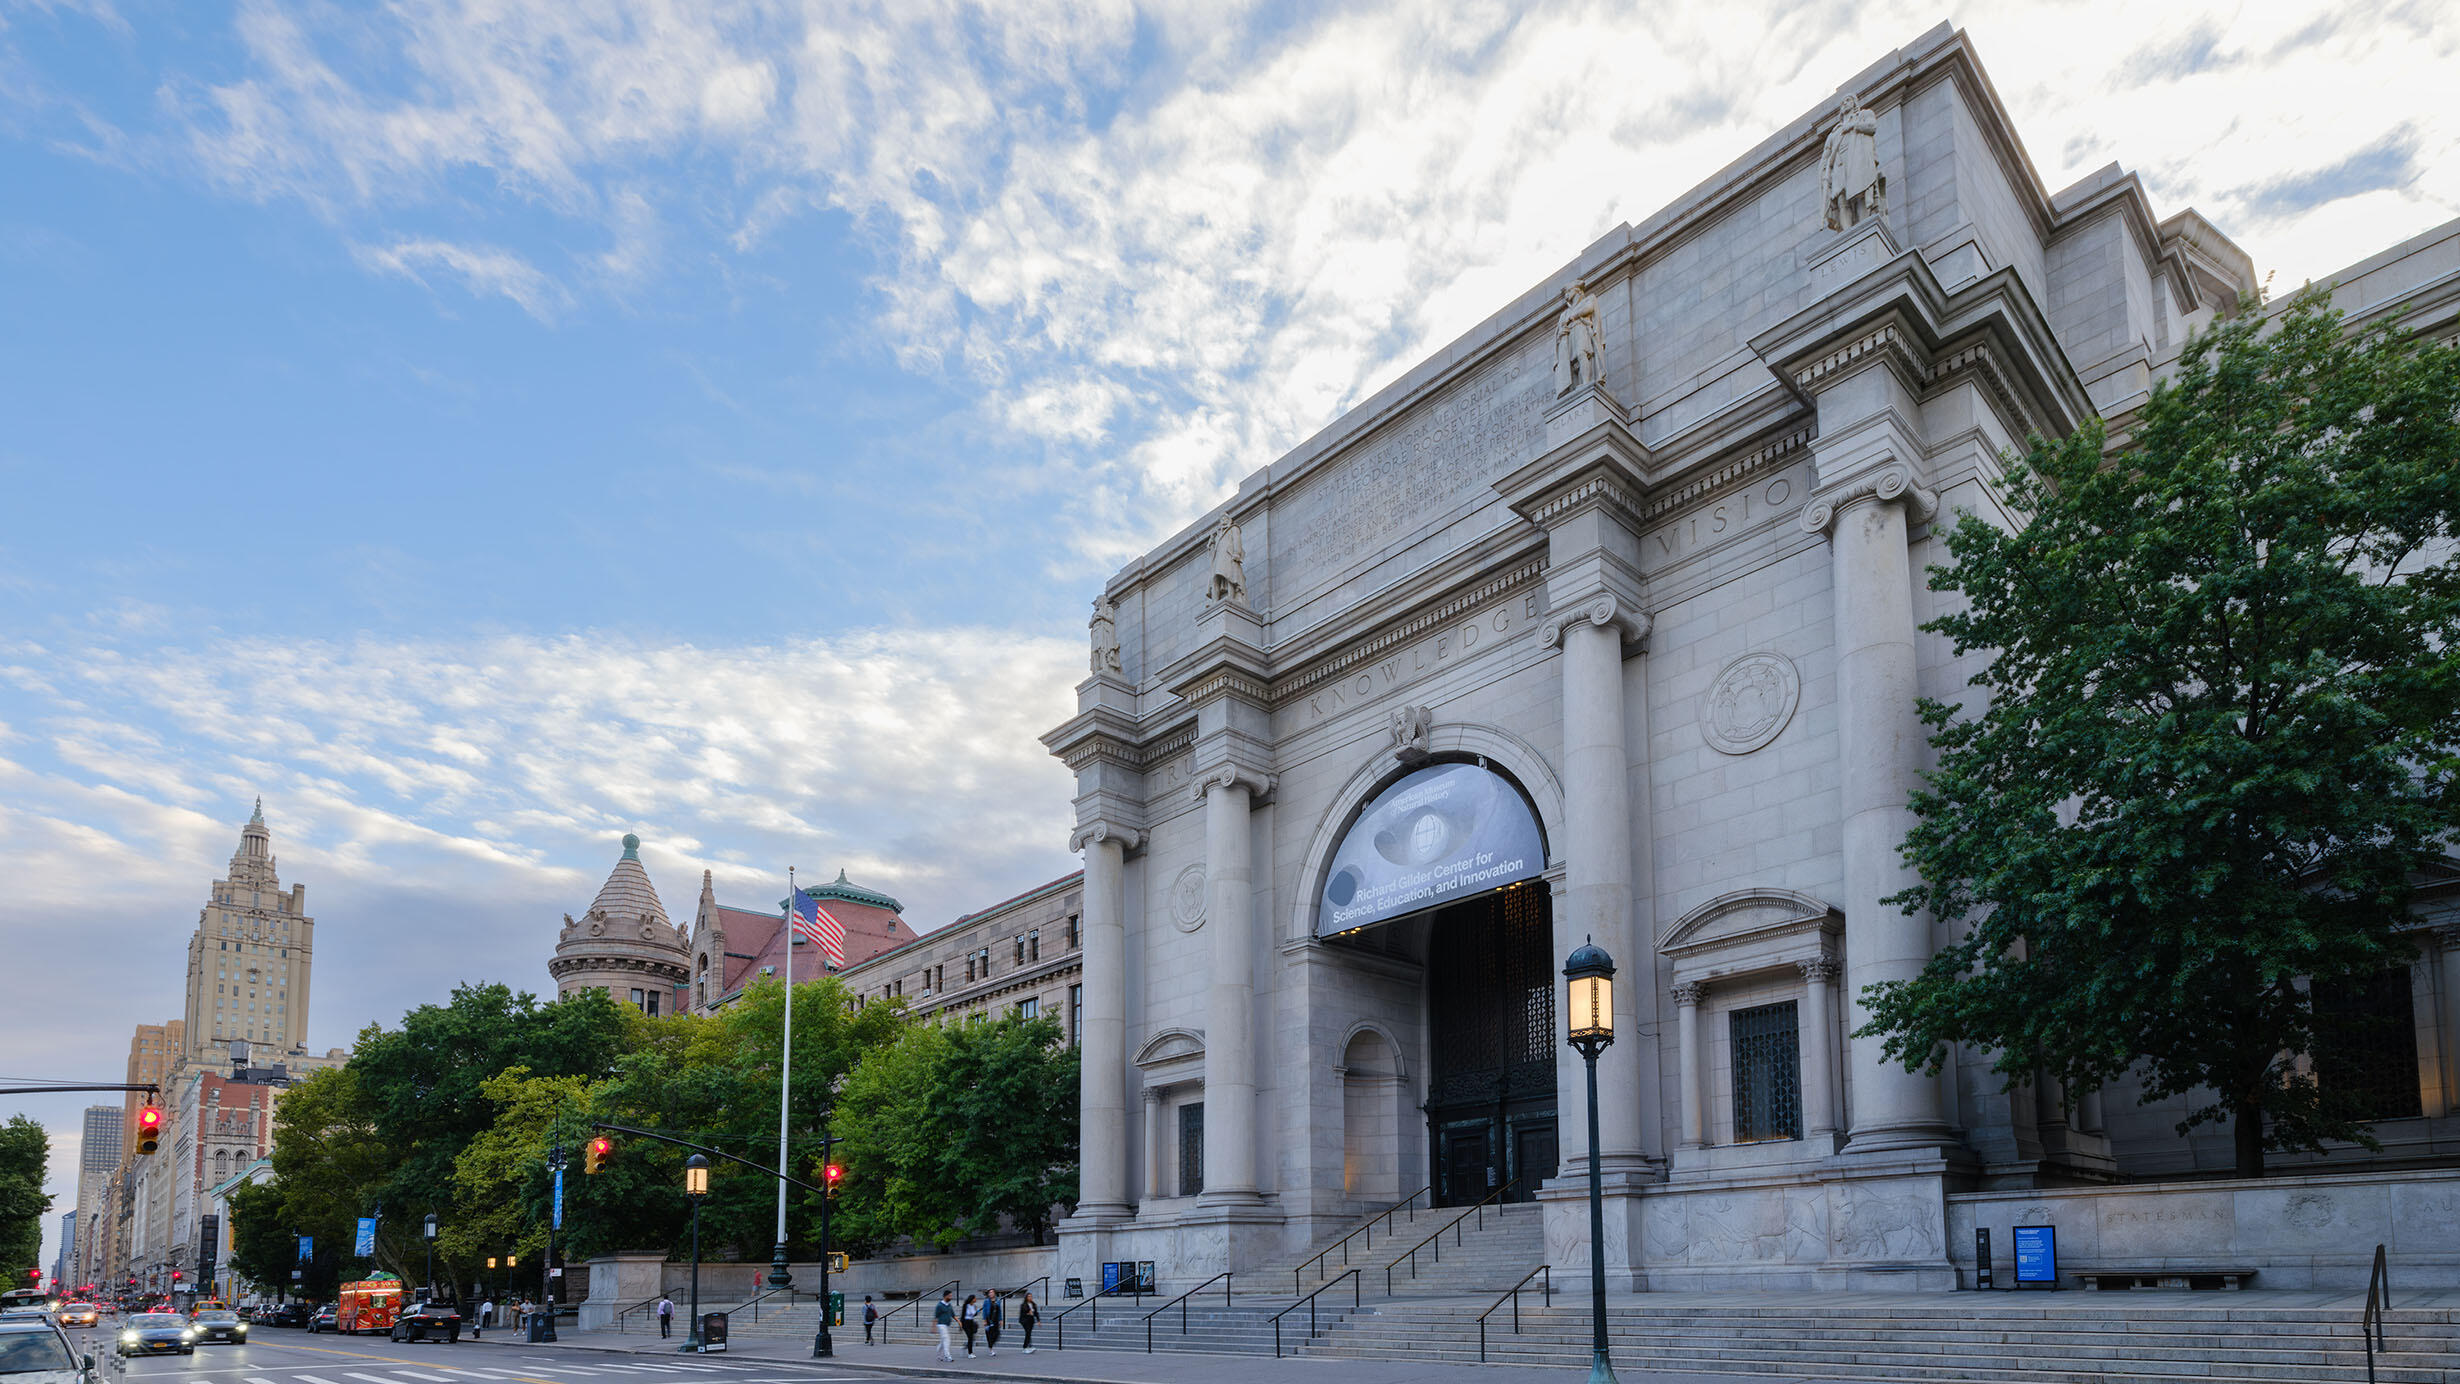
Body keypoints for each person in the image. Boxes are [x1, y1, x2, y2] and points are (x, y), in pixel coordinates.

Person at [931, 1290, 956, 1362]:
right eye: (950, 1296)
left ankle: (938, 1354)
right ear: (945, 1296)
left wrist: (959, 1322)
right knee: (947, 1339)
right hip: (941, 1325)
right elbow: (936, 1317)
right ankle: (947, 1356)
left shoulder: (949, 1305)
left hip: (947, 1325)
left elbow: (953, 1315)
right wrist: (933, 1327)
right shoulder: (939, 1305)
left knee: (943, 1341)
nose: (951, 1297)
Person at [981, 1289, 1002, 1356]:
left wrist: (1000, 1319)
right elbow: (984, 1311)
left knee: (996, 1334)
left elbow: (999, 1311)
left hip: (995, 1320)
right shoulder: (986, 1301)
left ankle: (990, 1345)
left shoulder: (998, 1301)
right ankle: (991, 1349)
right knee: (989, 1334)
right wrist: (984, 1320)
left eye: (992, 1292)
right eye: (990, 1292)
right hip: (988, 1319)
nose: (991, 1293)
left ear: (994, 1293)